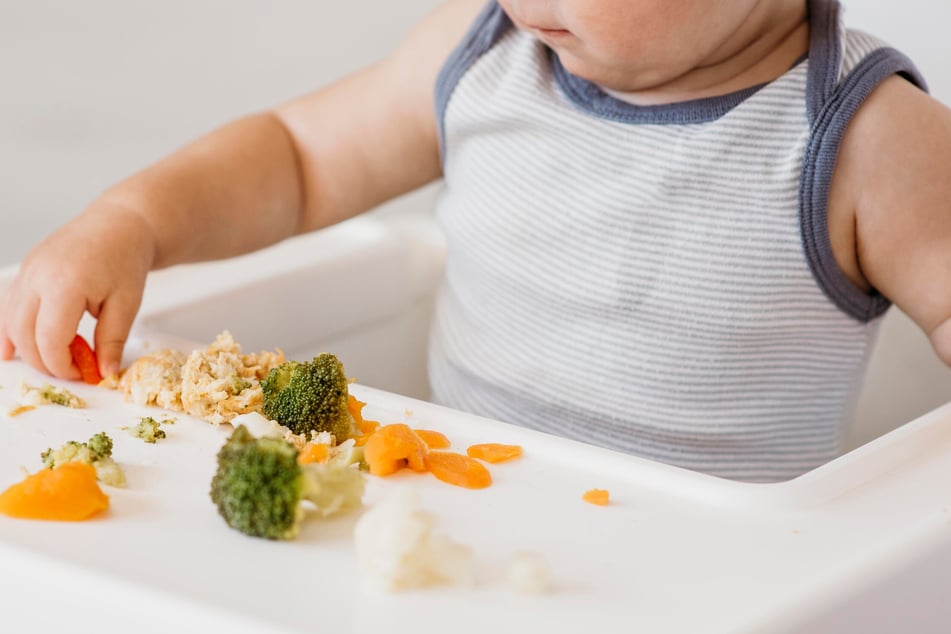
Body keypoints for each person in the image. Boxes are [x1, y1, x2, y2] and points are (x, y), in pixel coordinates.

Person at [2, 0, 949, 482]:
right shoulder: (484, 53)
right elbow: (294, 158)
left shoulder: (869, 140)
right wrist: (134, 221)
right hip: (453, 511)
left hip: (710, 583)